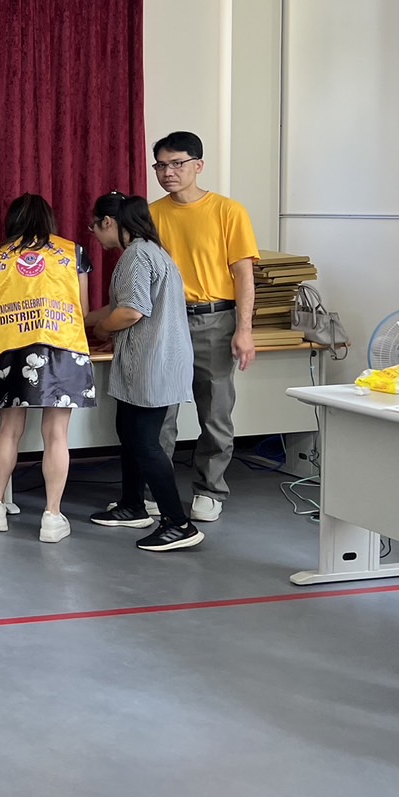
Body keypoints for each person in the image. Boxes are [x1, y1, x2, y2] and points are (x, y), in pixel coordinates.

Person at [149, 131, 260, 524]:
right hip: (165, 320)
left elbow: (244, 275)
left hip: (214, 319)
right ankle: (157, 489)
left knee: (215, 410)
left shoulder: (228, 211)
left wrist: (244, 329)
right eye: (161, 165)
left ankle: (210, 490)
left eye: (177, 163)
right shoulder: (151, 214)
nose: (168, 172)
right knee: (159, 411)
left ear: (198, 165)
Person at [84, 193, 204, 552]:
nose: (95, 235)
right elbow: (118, 305)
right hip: (149, 361)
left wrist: (101, 329)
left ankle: (178, 523)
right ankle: (132, 505)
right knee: (129, 432)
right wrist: (81, 319)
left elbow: (131, 311)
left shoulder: (137, 255)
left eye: (94, 227)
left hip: (153, 363)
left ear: (108, 222)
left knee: (146, 442)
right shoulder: (150, 250)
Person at [0, 193, 96, 543]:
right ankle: (52, 517)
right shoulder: (73, 253)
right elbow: (83, 310)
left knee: (8, 430)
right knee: (56, 435)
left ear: (12, 221)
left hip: (12, 351)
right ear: (49, 220)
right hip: (62, 349)